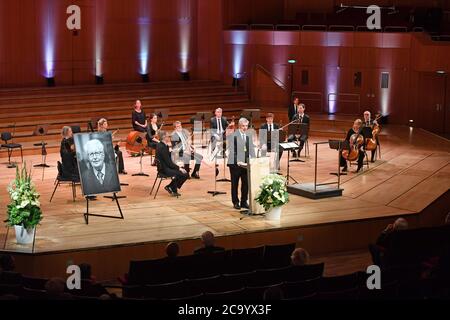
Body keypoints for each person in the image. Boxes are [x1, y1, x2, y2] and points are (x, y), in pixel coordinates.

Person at [227, 118, 256, 210]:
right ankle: (235, 202)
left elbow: (251, 148)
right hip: (235, 164)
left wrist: (253, 159)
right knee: (235, 184)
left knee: (245, 184)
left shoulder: (248, 135)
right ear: (239, 126)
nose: (245, 128)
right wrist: (238, 161)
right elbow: (232, 151)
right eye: (243, 126)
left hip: (245, 164)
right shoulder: (233, 136)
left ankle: (244, 201)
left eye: (246, 126)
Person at [156, 131, 189, 197]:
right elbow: (169, 163)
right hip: (164, 169)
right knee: (184, 174)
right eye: (168, 136)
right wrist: (179, 168)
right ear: (164, 137)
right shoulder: (162, 147)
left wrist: (171, 152)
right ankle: (172, 188)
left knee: (183, 173)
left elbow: (167, 158)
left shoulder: (163, 145)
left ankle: (170, 187)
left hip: (165, 166)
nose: (169, 137)